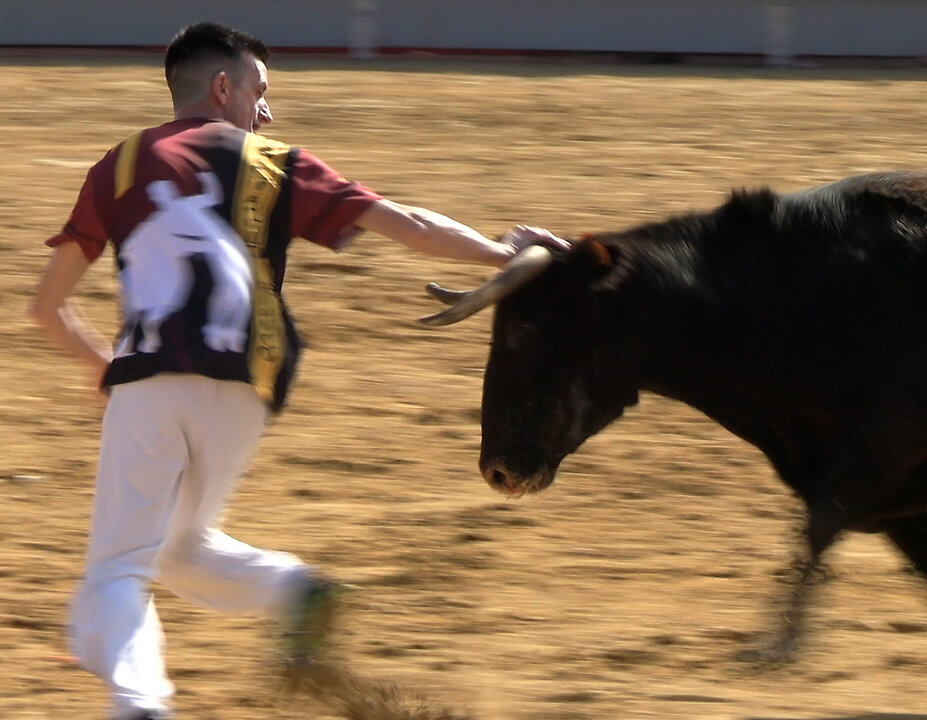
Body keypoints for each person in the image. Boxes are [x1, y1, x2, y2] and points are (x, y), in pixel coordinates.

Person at [30, 21, 569, 720]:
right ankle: (292, 590)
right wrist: (502, 253)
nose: (267, 110)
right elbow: (405, 223)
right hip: (250, 381)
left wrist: (99, 364)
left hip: (155, 370)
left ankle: (140, 704)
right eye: (260, 91)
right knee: (180, 547)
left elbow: (47, 306)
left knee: (117, 569)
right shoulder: (272, 161)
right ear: (222, 87)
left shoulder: (120, 166)